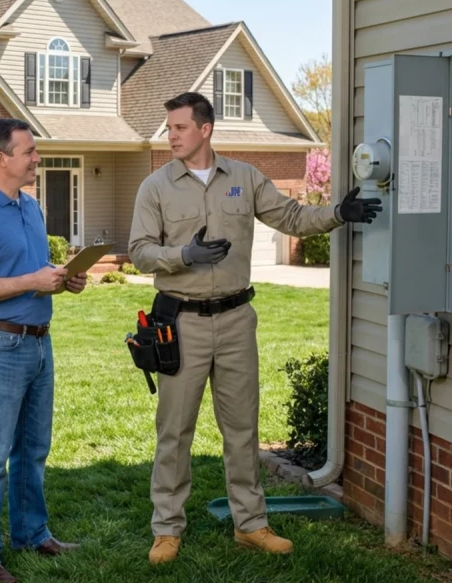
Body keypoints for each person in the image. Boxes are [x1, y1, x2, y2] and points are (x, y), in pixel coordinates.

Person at [128, 92, 380, 564]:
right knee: (175, 431)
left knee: (242, 428)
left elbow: (291, 217)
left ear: (205, 129)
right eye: (169, 128)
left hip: (237, 320)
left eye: (179, 127)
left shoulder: (243, 178)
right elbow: (140, 250)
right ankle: (167, 529)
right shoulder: (156, 186)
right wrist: (185, 255)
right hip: (181, 322)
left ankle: (251, 524)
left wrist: (338, 215)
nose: (171, 136)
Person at [0, 117, 88, 582]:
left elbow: (31, 270)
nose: (37, 158)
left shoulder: (30, 207)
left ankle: (32, 533)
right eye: (29, 151)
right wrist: (33, 281)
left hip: (39, 345)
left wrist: (62, 279)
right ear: (1, 159)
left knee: (32, 449)